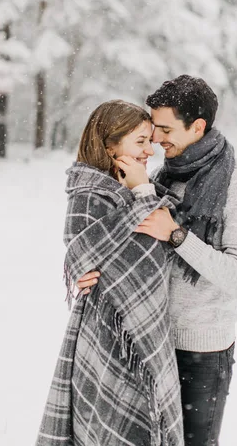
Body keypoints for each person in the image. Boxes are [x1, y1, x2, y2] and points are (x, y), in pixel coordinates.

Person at [79, 76, 237, 446]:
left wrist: (178, 235)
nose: (155, 140)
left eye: (165, 129)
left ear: (197, 126)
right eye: (152, 130)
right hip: (149, 344)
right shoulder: (162, 177)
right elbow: (137, 250)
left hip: (201, 351)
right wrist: (95, 273)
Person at [36, 100, 184, 446]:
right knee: (111, 428)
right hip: (110, 336)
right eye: (140, 141)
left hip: (131, 335)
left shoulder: (127, 190)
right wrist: (143, 193)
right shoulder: (92, 194)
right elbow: (142, 254)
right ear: (109, 145)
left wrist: (142, 191)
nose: (150, 150)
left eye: (150, 140)